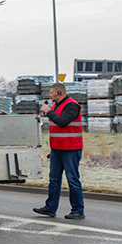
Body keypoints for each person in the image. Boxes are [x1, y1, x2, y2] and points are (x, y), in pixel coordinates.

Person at [34, 82, 85, 220]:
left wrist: (49, 112)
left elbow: (63, 121)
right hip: (57, 149)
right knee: (54, 179)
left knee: (73, 180)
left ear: (59, 93)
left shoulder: (72, 105)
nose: (49, 95)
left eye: (51, 93)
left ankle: (78, 210)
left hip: (71, 149)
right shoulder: (57, 105)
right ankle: (50, 208)